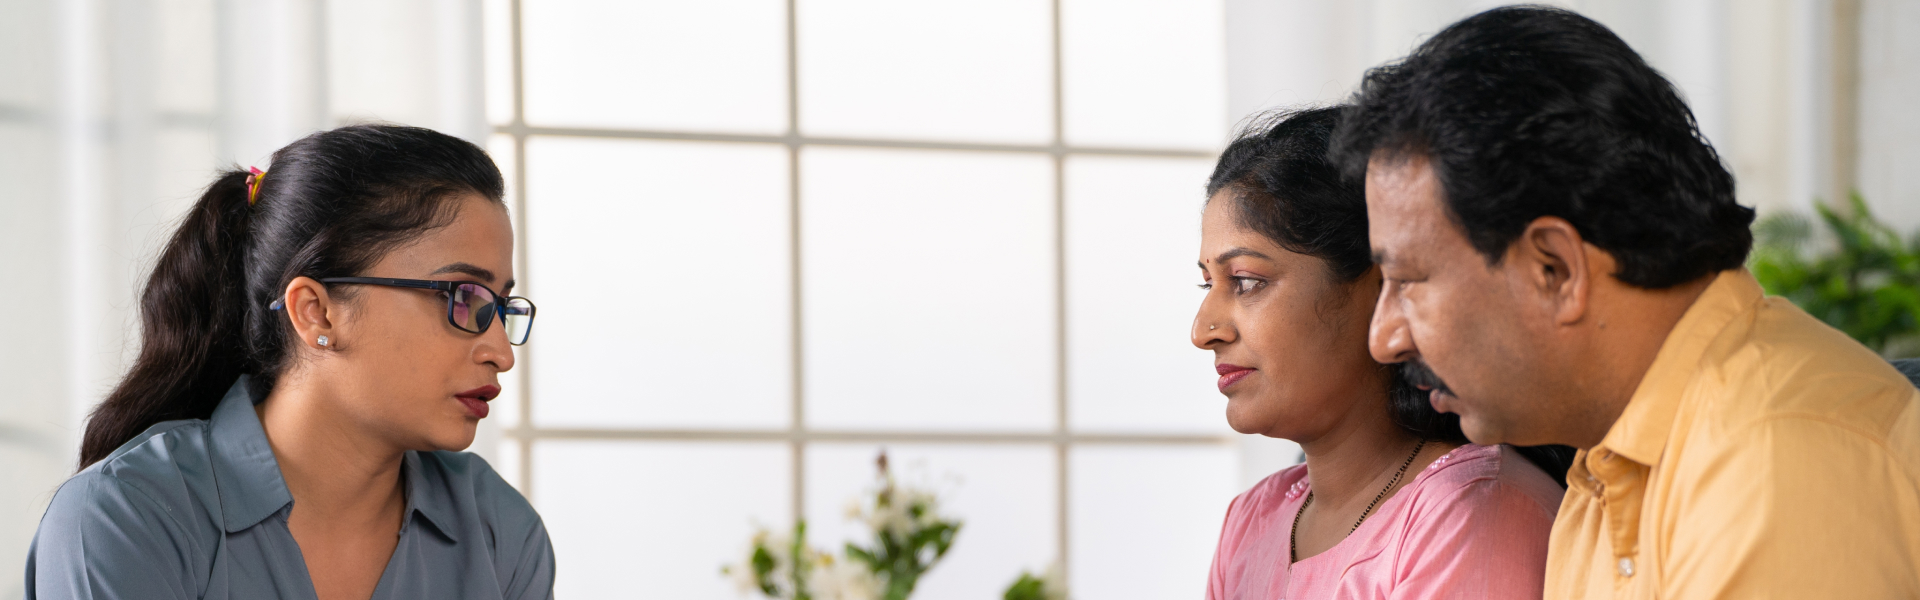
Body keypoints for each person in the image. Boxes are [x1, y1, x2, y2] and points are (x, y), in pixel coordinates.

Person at [1334, 6, 1920, 598]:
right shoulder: (1606, 465)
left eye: (1407, 282)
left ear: (1554, 269)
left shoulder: (1777, 458)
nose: (1384, 338)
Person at [26, 125, 553, 600]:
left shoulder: (498, 529)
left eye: (501, 308)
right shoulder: (125, 518)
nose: (502, 354)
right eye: (462, 297)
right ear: (316, 312)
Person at [1196, 107, 1570, 600]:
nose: (1204, 330)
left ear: (1382, 287)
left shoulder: (1472, 510)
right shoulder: (1251, 522)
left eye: (1245, 282)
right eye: (1206, 283)